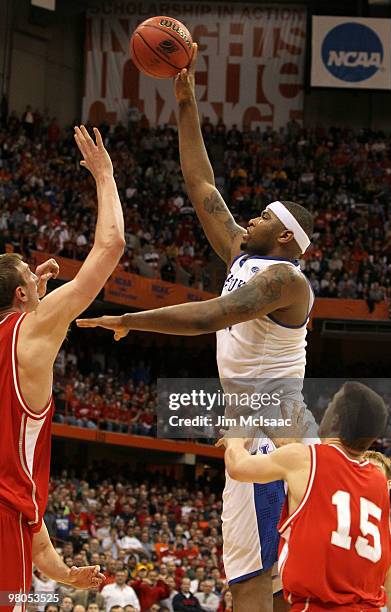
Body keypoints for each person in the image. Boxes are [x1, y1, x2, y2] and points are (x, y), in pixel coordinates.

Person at [77, 45, 315, 612]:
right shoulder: (244, 255)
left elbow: (213, 314)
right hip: (256, 421)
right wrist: (185, 98)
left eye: (262, 216)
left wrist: (130, 318)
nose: (249, 217)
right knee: (272, 576)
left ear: (284, 237)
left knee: (250, 578)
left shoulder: (287, 282)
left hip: (267, 423)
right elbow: (201, 185)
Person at [0, 125, 125, 600]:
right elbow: (110, 247)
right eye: (31, 277)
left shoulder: (24, 332)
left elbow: (39, 548)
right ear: (19, 294)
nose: (41, 275)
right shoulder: (31, 330)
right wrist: (105, 175)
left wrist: (67, 579)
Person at [218, 382, 391, 611]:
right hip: (366, 606)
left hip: (319, 606)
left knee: (252, 585)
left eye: (330, 406)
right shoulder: (377, 482)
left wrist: (235, 439)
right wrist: (291, 444)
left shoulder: (307, 460)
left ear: (335, 421)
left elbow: (238, 467)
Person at [364, 450, 391, 611]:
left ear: (388, 484)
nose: (365, 475)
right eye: (361, 468)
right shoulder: (334, 511)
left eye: (373, 471)